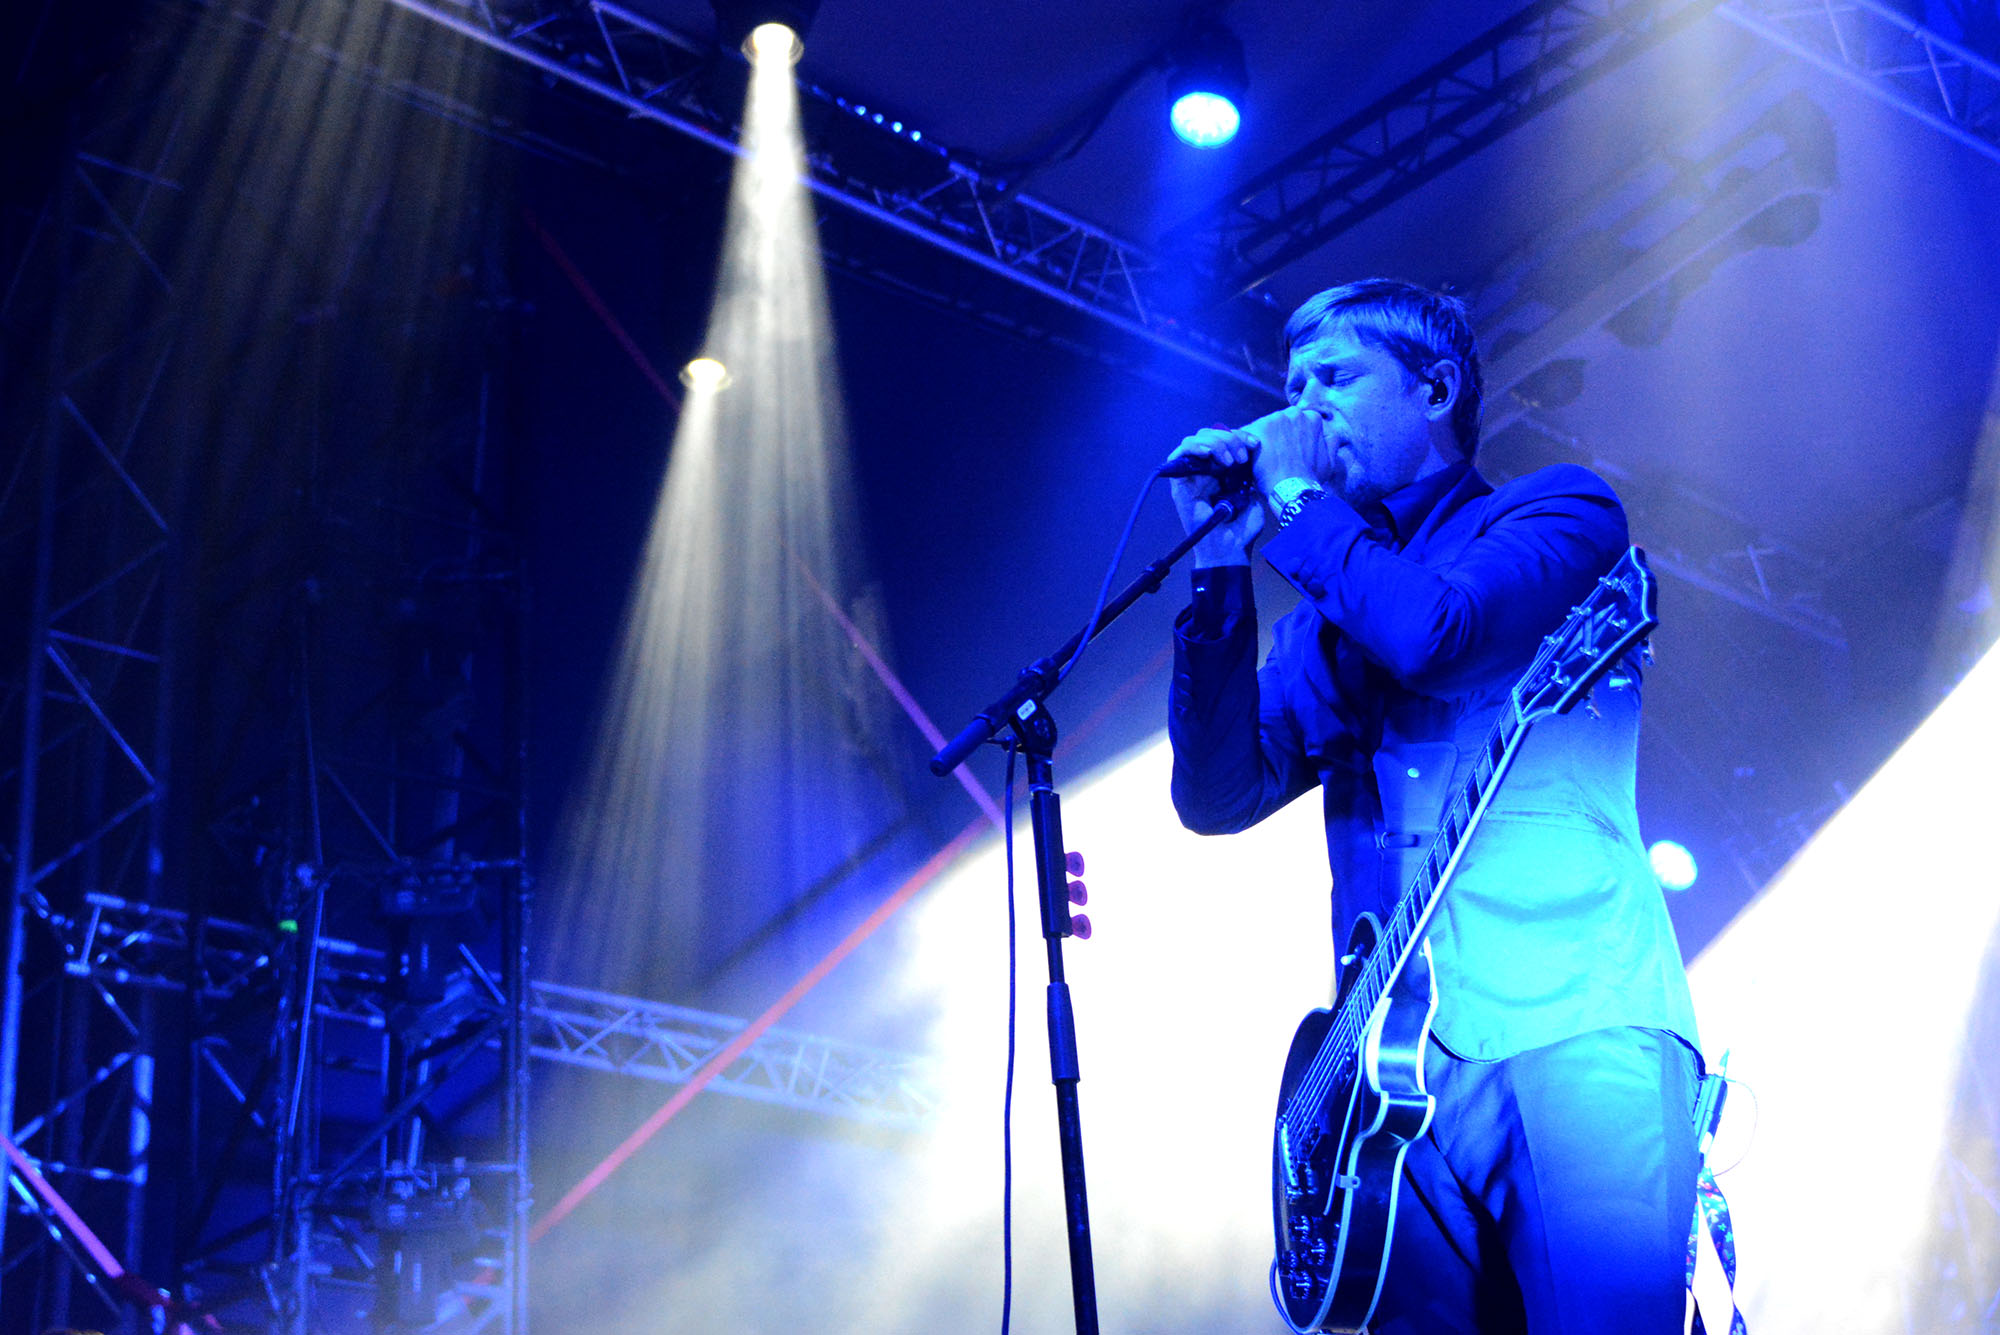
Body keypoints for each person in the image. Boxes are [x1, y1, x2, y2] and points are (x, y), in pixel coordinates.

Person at [1165, 278, 1703, 1334]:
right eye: (1291, 386)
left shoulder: (1559, 512)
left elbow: (1435, 638)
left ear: (1435, 389)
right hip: (1386, 1076)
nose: (1303, 407)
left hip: (1568, 1010)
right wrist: (1218, 569)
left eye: (1333, 377)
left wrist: (1294, 501)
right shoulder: (1322, 627)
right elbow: (1216, 795)